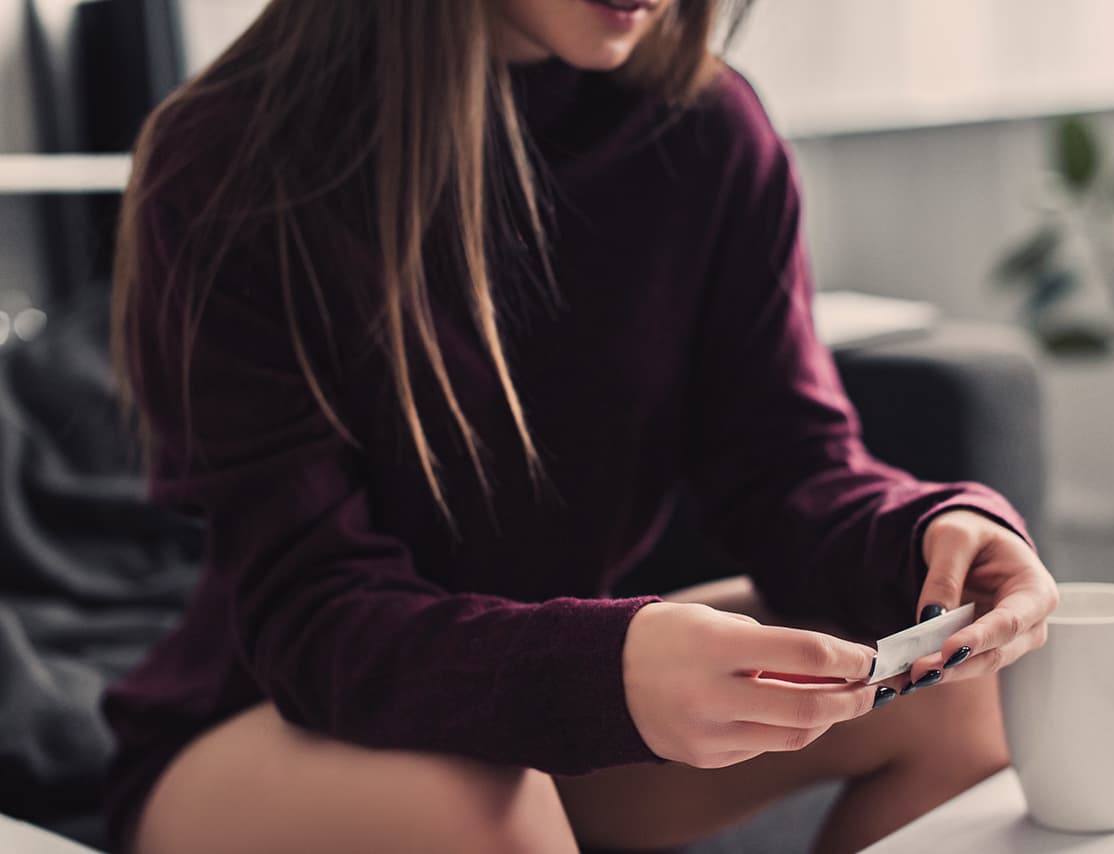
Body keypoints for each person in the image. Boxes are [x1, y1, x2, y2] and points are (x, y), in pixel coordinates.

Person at [102, 1, 1059, 852]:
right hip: (275, 716)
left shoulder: (710, 130)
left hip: (544, 702)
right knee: (470, 802)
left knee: (957, 692)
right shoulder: (232, 153)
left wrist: (930, 535)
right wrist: (603, 673)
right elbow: (311, 617)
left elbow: (789, 466)